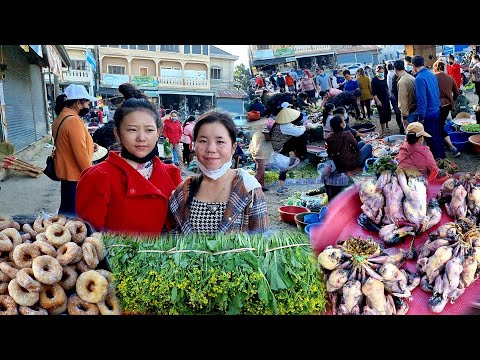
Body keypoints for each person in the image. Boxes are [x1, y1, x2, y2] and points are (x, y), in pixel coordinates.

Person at [76, 88, 182, 235]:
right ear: (117, 134)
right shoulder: (98, 176)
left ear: (158, 133)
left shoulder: (172, 174)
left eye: (149, 130)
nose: (141, 138)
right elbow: (89, 240)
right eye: (132, 130)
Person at [169, 111, 269, 234]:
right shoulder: (184, 189)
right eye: (203, 141)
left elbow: (260, 242)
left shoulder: (250, 190)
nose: (211, 149)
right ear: (193, 146)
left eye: (220, 142)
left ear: (233, 147)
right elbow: (174, 236)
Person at [52, 84, 98, 217]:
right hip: (75, 176)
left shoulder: (61, 118)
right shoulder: (73, 121)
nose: (88, 106)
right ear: (79, 103)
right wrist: (92, 176)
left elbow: (67, 145)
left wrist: (90, 145)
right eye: (87, 102)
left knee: (65, 213)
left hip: (66, 173)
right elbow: (80, 154)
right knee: (74, 217)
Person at [324, 115, 372, 199]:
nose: (344, 122)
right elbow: (356, 145)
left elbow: (329, 153)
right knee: (368, 146)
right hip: (351, 162)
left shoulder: (329, 138)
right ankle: (363, 167)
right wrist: (355, 153)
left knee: (362, 144)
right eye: (343, 121)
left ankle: (360, 164)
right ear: (340, 124)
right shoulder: (347, 134)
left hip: (339, 164)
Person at [411, 55, 445, 160]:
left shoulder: (419, 79)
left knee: (431, 139)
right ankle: (442, 158)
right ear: (423, 64)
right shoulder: (431, 74)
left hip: (429, 113)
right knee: (438, 136)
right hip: (436, 110)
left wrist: (421, 117)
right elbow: (436, 92)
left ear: (413, 66)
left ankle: (437, 162)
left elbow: (422, 100)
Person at [269, 107, 306, 193]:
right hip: (281, 147)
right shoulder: (284, 126)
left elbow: (294, 128)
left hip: (279, 146)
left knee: (284, 166)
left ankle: (281, 186)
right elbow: (299, 132)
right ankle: (280, 188)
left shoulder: (279, 124)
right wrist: (304, 127)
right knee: (302, 136)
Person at [433, 60, 461, 157]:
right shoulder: (450, 78)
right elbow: (457, 93)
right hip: (447, 105)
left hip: (436, 106)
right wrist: (451, 100)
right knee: (441, 124)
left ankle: (452, 147)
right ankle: (449, 145)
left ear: (435, 68)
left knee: (438, 126)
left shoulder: (433, 78)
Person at [249, 120, 274, 191]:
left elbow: (251, 145)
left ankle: (261, 186)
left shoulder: (256, 134)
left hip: (257, 155)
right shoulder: (263, 134)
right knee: (260, 172)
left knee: (261, 172)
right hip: (260, 155)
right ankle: (249, 186)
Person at [393, 60, 417, 131]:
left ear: (395, 69)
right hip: (415, 109)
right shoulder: (411, 77)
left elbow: (403, 101)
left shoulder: (402, 81)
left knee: (410, 135)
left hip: (410, 112)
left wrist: (404, 117)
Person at [371, 64, 392, 136]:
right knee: (382, 114)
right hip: (379, 99)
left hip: (386, 98)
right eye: (380, 72)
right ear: (377, 72)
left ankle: (387, 126)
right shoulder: (374, 80)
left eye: (382, 72)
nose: (381, 73)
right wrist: (377, 101)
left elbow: (386, 87)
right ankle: (383, 130)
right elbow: (373, 92)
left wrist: (388, 95)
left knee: (387, 112)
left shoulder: (384, 78)